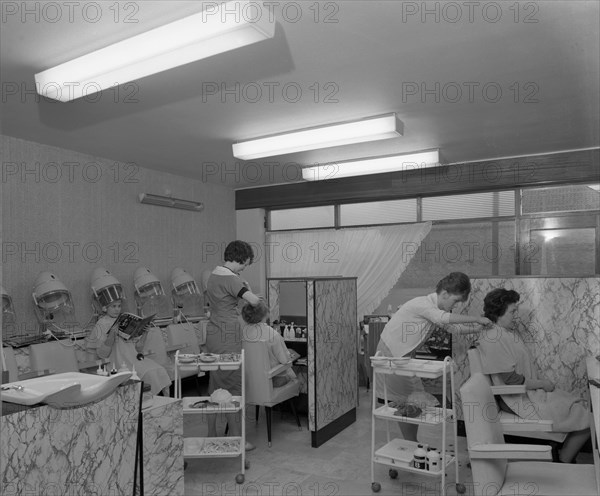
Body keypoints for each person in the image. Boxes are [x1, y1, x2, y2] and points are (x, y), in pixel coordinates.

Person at [476, 288, 590, 463]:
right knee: (584, 414)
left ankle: (562, 455)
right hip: (514, 399)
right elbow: (511, 380)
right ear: (499, 312)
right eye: (512, 311)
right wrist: (542, 384)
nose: (515, 315)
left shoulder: (504, 333)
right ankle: (564, 459)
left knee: (578, 404)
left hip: (525, 393)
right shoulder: (493, 337)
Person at [376, 272, 492, 441]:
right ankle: (411, 444)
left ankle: (411, 443)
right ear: (444, 293)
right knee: (410, 400)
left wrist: (478, 329)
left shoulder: (434, 309)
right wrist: (477, 318)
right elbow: (443, 318)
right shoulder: (422, 304)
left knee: (411, 400)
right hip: (391, 355)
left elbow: (455, 329)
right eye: (456, 301)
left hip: (402, 357)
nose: (457, 305)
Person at [204, 240, 261, 448]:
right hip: (228, 336)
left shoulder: (213, 276)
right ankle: (237, 439)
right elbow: (254, 302)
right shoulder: (232, 279)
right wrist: (252, 294)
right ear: (241, 259)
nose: (245, 267)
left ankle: (212, 433)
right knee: (233, 387)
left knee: (216, 383)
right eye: (246, 263)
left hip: (213, 333)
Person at [85, 299, 171, 396]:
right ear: (105, 308)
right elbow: (102, 354)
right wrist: (111, 335)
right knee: (149, 373)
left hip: (134, 359)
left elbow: (138, 349)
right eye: (113, 306)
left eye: (119, 306)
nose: (117, 309)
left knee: (160, 370)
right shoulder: (101, 324)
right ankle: (146, 402)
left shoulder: (125, 321)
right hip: (118, 363)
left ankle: (166, 402)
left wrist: (145, 332)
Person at [241, 301, 297, 387]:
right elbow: (285, 360)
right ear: (265, 314)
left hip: (248, 382)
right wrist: (291, 356)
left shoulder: (243, 333)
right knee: (293, 375)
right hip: (272, 380)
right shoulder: (272, 334)